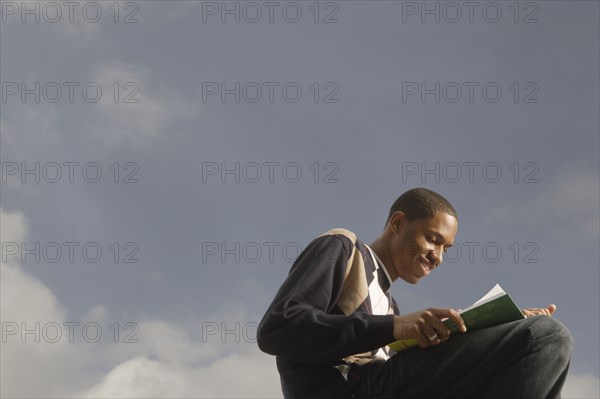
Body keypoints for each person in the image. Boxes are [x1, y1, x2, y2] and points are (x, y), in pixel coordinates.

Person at [257, 188, 573, 399]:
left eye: (446, 249)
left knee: (534, 350)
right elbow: (279, 329)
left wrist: (504, 330)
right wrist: (397, 327)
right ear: (398, 223)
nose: (438, 256)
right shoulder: (343, 247)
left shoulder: (390, 305)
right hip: (349, 389)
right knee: (546, 335)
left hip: (384, 384)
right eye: (433, 239)